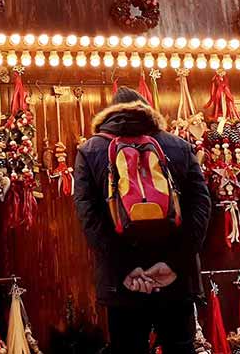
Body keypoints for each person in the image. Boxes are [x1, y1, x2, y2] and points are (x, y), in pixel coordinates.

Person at [74, 87, 211, 354]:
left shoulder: (90, 151)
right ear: (148, 110)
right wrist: (174, 263)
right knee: (180, 347)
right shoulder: (179, 146)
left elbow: (89, 217)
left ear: (108, 114)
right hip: (176, 279)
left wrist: (126, 268)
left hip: (124, 281)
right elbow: (202, 207)